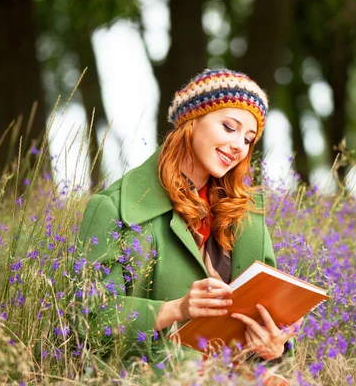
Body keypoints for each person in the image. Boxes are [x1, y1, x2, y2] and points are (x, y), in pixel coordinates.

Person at [77, 69, 302, 381]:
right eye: (229, 127)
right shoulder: (112, 207)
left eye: (248, 139)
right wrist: (177, 309)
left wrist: (276, 345)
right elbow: (89, 323)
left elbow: (264, 324)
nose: (239, 145)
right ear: (192, 120)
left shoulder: (247, 216)